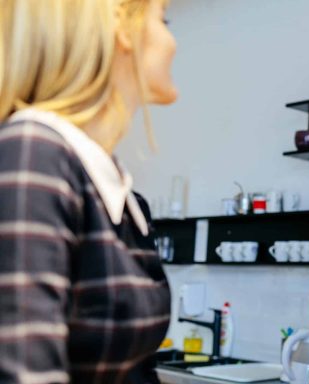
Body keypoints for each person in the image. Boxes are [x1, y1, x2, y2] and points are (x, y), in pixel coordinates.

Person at [0, 0, 177, 382]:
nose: (171, 42)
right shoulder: (34, 151)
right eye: (163, 20)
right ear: (120, 27)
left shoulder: (122, 196)